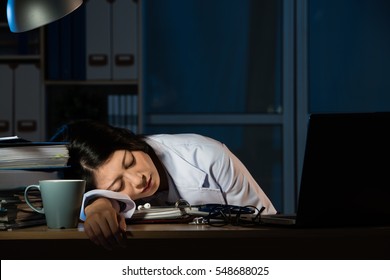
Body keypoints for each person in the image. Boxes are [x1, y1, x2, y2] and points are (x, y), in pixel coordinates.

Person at [56, 119, 277, 250]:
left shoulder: (208, 157)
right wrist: (97, 204)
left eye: (130, 162)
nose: (138, 180)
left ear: (128, 141)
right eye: (117, 188)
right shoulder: (101, 196)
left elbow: (265, 224)